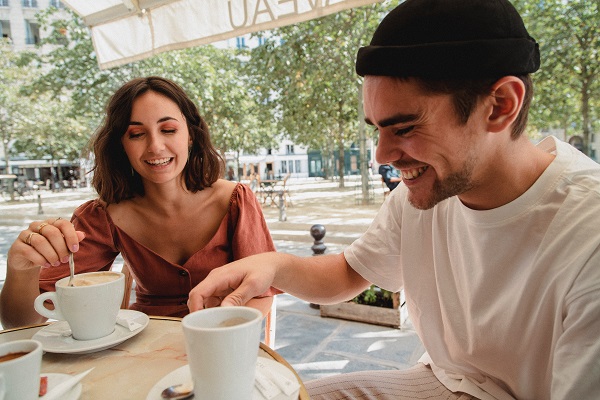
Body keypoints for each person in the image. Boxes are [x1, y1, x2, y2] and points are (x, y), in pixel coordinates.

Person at [186, 1, 600, 399]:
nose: (381, 157)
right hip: (444, 383)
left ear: (500, 106)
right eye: (377, 130)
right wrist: (273, 265)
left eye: (404, 128)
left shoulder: (587, 234)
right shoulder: (425, 193)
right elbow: (351, 272)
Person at [0, 76, 277, 328]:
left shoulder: (235, 201)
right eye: (136, 134)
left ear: (190, 135)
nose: (155, 146)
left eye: (168, 129)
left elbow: (261, 293)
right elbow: (22, 321)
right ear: (122, 144)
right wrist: (20, 267)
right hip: (143, 350)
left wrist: (218, 338)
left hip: (225, 344)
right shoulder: (102, 217)